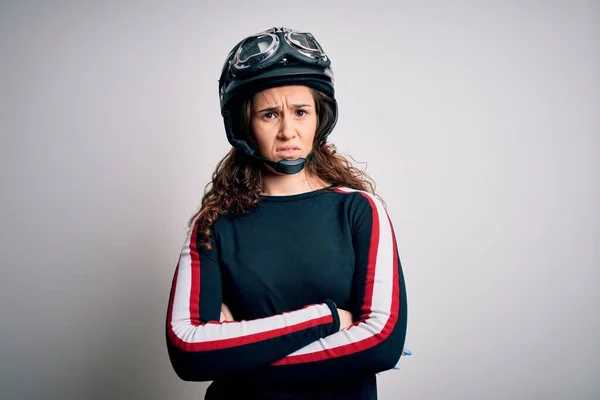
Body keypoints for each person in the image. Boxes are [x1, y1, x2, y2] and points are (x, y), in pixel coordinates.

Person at [166, 27, 408, 399]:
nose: (287, 131)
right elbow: (188, 350)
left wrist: (237, 351)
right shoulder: (213, 225)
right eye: (269, 114)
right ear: (244, 124)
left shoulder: (360, 211)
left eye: (300, 112)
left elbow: (382, 341)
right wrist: (328, 318)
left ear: (319, 118)